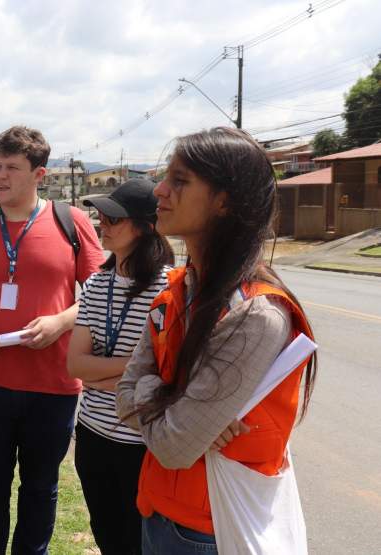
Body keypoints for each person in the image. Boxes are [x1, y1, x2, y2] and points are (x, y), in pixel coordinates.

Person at [115, 127, 317, 554]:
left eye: (180, 181)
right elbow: (123, 395)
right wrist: (177, 404)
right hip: (158, 512)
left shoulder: (255, 315)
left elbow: (172, 446)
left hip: (206, 532)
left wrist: (163, 402)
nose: (160, 191)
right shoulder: (180, 289)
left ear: (225, 201)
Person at [0, 126, 105, 554]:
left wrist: (62, 321)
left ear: (39, 174)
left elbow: (104, 291)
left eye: (12, 167)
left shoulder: (72, 223)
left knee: (40, 489)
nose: (0, 176)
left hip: (53, 384)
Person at [65, 179, 174, 555]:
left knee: (139, 541)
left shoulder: (169, 288)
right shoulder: (96, 284)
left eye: (114, 217)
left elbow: (165, 375)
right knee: (107, 536)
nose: (102, 224)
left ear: (146, 226)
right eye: (100, 216)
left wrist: (109, 374)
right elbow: (74, 364)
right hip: (92, 433)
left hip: (140, 441)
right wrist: (131, 372)